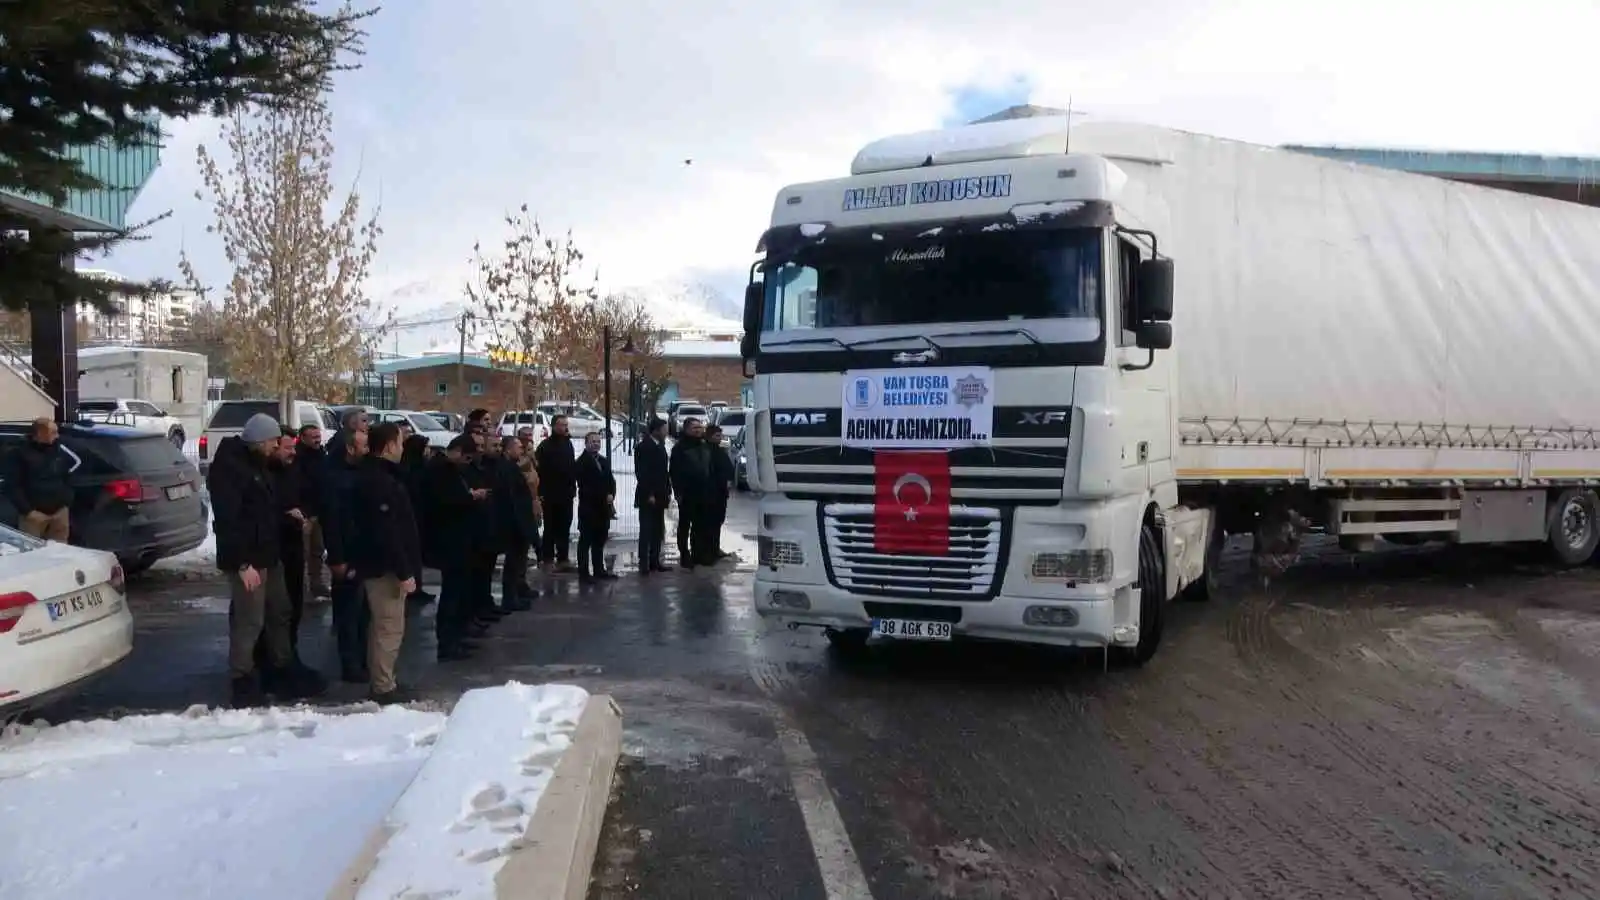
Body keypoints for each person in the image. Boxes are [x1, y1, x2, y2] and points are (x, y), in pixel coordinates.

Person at [208, 413, 325, 707]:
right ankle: (242, 680)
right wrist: (242, 564)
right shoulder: (231, 469)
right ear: (260, 440)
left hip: (269, 556)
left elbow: (262, 509)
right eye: (275, 443)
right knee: (250, 621)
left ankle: (283, 669)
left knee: (280, 612)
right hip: (248, 560)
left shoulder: (258, 464)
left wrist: (284, 515)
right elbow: (228, 521)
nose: (278, 448)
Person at [350, 422, 424, 704]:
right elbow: (387, 531)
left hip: (383, 564)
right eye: (400, 443)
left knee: (386, 627)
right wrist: (404, 570)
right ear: (390, 446)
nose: (403, 448)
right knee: (388, 627)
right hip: (384, 568)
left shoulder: (380, 476)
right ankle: (383, 686)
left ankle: (385, 680)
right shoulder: (379, 481)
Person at [423, 434, 486, 661]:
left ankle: (456, 638)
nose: (468, 463)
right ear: (458, 451)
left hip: (459, 539)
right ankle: (448, 643)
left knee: (458, 593)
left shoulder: (451, 470)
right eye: (467, 457)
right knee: (451, 594)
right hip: (450, 540)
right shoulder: (440, 470)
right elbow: (446, 502)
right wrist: (470, 497)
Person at [256, 429, 309, 671]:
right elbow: (261, 514)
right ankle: (271, 661)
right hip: (272, 551)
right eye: (287, 448)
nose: (293, 453)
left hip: (293, 548)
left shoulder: (293, 470)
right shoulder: (263, 475)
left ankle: (289, 654)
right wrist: (286, 516)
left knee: (293, 606)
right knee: (275, 610)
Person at [321, 426, 371, 683]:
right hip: (347, 554)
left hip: (363, 552)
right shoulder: (335, 478)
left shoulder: (361, 472)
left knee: (363, 614)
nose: (367, 450)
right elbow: (332, 521)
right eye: (363, 446)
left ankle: (362, 661)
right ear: (351, 448)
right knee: (349, 614)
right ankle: (350, 665)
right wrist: (338, 558)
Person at [3, 417, 73, 542]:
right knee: (32, 552)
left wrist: (66, 503)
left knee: (60, 552)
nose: (57, 436)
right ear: (40, 433)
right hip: (34, 515)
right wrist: (28, 511)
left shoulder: (58, 450)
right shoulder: (18, 454)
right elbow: (12, 485)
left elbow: (67, 476)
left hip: (59, 512)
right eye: (53, 432)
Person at [495, 435, 539, 607]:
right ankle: (510, 597)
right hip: (514, 520)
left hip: (522, 517)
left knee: (519, 558)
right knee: (513, 561)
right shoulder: (506, 468)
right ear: (508, 449)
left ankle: (517, 591)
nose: (521, 450)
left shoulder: (514, 466)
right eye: (519, 447)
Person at [669, 418, 715, 568]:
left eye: (700, 427)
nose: (698, 430)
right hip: (687, 494)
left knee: (700, 525)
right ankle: (684, 554)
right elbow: (674, 473)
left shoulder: (704, 445)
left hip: (704, 492)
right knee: (684, 525)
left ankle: (699, 554)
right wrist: (678, 493)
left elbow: (709, 467)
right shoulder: (679, 448)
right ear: (687, 429)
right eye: (695, 428)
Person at [535, 415, 578, 572]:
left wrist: (573, 487)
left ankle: (563, 558)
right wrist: (541, 493)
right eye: (561, 425)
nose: (564, 427)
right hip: (550, 493)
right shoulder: (545, 446)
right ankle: (548, 559)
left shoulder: (568, 444)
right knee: (550, 528)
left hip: (566, 493)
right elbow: (538, 471)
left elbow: (571, 467)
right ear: (553, 426)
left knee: (564, 527)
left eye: (566, 424)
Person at [575, 431, 617, 581]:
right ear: (586, 443)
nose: (596, 444)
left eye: (598, 441)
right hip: (589, 508)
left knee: (600, 541)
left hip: (603, 509)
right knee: (585, 541)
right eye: (593, 441)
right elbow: (585, 486)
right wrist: (602, 495)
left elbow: (611, 481)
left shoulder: (604, 461)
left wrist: (611, 494)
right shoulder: (581, 463)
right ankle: (584, 573)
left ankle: (599, 570)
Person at [295, 423, 331, 598]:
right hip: (304, 514)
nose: (317, 439)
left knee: (317, 551)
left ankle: (317, 584)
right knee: (302, 552)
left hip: (319, 512)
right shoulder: (297, 457)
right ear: (303, 438)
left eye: (318, 436)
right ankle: (299, 587)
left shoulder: (321, 455)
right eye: (313, 437)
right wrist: (306, 513)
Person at [400, 434, 436, 605]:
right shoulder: (411, 470)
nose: (429, 451)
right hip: (413, 516)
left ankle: (417, 587)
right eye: (426, 447)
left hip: (421, 515)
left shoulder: (422, 467)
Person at [634, 418, 671, 574]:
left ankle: (655, 560)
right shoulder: (644, 447)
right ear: (656, 430)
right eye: (664, 429)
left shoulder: (660, 446)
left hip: (661, 493)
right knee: (647, 530)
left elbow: (663, 472)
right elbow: (642, 473)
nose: (666, 432)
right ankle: (644, 563)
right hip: (648, 495)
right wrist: (649, 493)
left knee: (657, 530)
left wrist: (668, 490)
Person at [705, 424, 735, 561]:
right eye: (717, 436)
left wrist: (728, 480)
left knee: (718, 522)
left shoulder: (720, 451)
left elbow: (729, 468)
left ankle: (715, 548)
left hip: (721, 494)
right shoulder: (705, 451)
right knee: (709, 524)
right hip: (710, 494)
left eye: (720, 435)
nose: (719, 438)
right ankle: (708, 551)